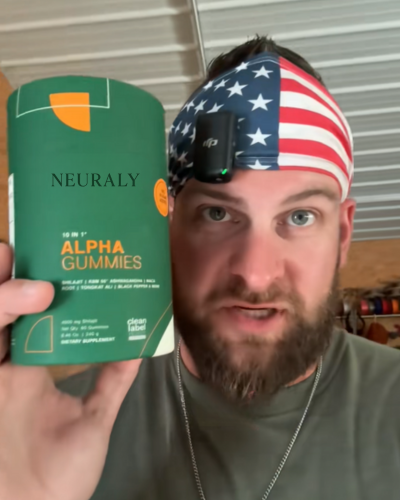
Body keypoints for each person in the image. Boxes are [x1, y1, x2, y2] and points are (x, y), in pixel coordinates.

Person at [0, 35, 400, 500]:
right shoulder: (52, 429)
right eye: (217, 213)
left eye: (299, 217)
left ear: (343, 235)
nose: (256, 274)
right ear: (168, 226)